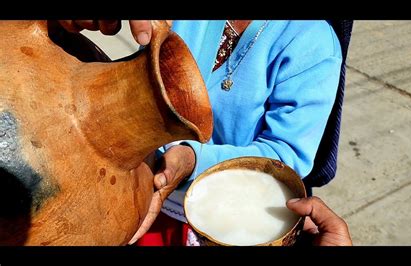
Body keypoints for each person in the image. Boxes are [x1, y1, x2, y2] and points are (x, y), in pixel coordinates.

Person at [58, 20, 347, 246]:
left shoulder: (313, 42)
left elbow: (285, 155)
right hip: (141, 189)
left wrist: (192, 159)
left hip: (229, 220)